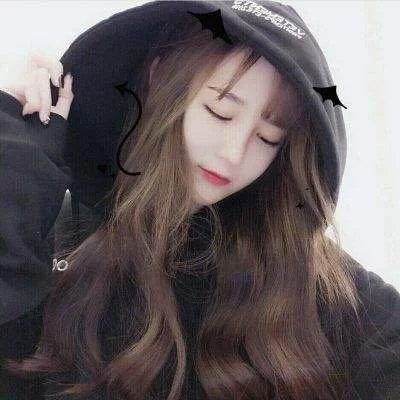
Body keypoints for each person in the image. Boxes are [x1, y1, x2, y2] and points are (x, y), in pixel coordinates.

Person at [0, 1, 399, 399]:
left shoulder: (308, 282)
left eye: (268, 137)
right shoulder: (51, 236)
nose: (234, 153)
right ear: (159, 79)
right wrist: (14, 163)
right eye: (220, 112)